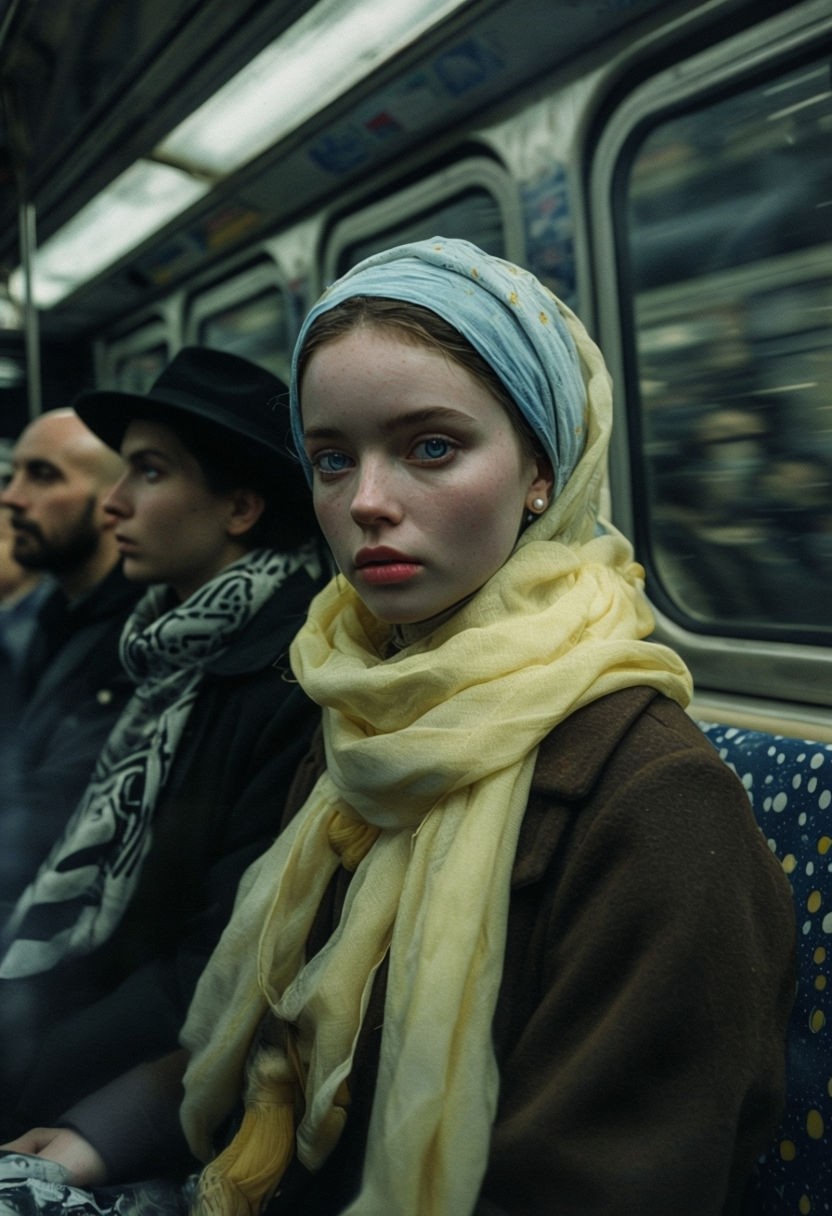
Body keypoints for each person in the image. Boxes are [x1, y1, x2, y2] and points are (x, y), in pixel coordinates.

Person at [0, 240, 796, 1216]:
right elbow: (279, 1025)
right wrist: (100, 1131)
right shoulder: (362, 719)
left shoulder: (653, 802)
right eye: (332, 458)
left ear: (541, 468)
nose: (364, 501)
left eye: (430, 448)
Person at [0, 346, 329, 1142]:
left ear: (240, 509)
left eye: (147, 473)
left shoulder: (288, 680)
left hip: (136, 1062)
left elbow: (214, 962)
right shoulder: (163, 651)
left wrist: (23, 1060)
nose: (113, 505)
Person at [0, 412, 140, 908]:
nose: (11, 497)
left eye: (42, 475)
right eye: (13, 475)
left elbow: (51, 809)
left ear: (112, 501)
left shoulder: (133, 639)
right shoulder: (54, 618)